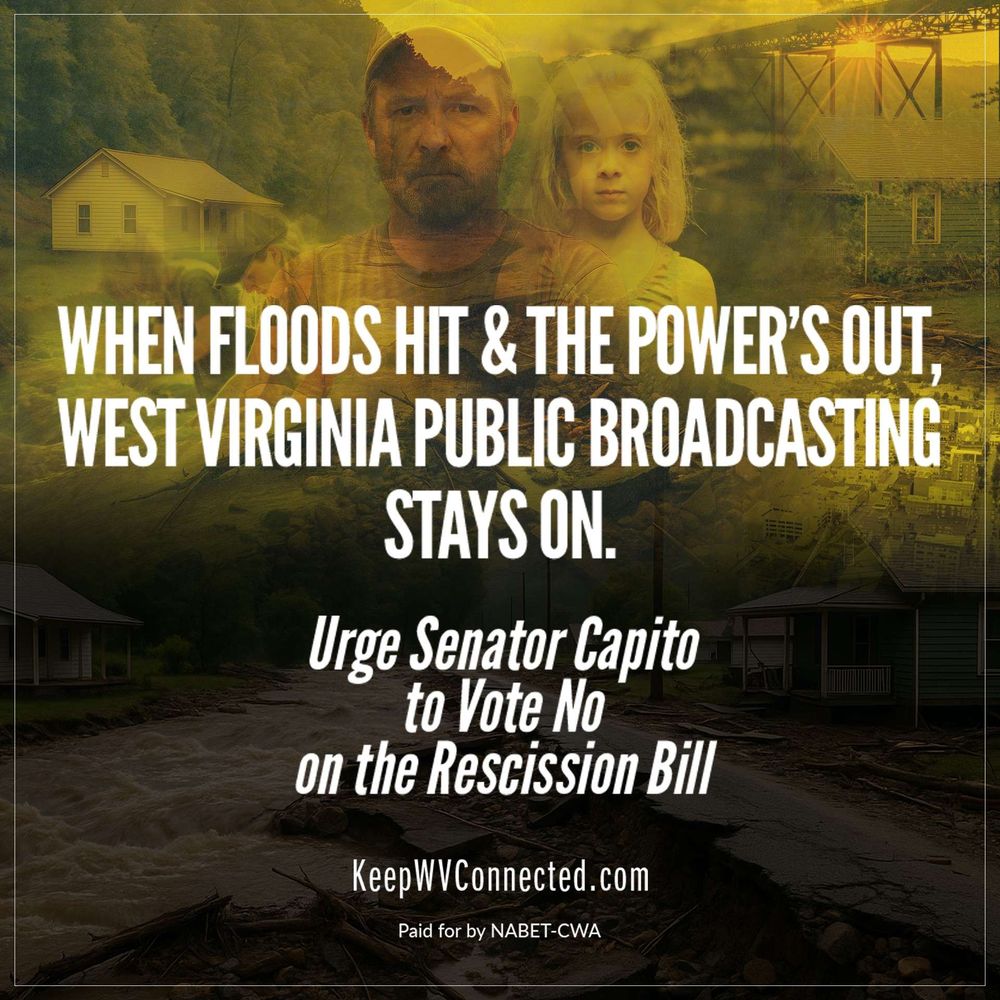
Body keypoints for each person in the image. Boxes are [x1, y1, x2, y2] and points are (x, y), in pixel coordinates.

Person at [281, 1, 626, 409]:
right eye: (406, 110)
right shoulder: (310, 288)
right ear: (370, 131)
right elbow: (244, 443)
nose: (434, 138)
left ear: (508, 127)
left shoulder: (577, 285)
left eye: (464, 107)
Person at [526, 52, 717, 402]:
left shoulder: (688, 287)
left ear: (657, 155)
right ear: (557, 159)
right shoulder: (527, 275)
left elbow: (697, 423)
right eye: (587, 145)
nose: (609, 166)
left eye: (630, 145)